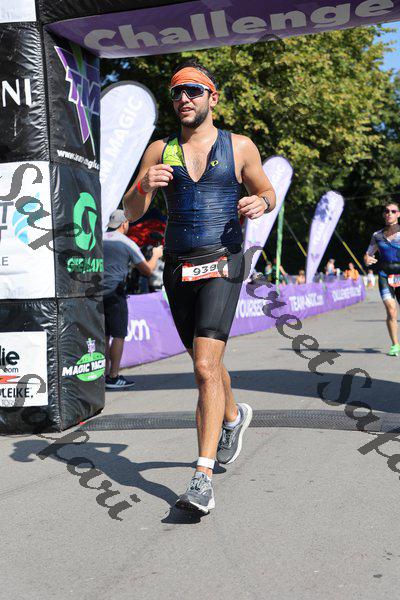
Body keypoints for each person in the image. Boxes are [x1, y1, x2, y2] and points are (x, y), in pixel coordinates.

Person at [123, 60, 276, 514]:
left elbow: (268, 192)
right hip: (177, 267)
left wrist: (260, 202)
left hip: (223, 262)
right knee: (205, 361)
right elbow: (130, 210)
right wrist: (143, 186)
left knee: (206, 367)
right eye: (177, 92)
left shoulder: (239, 146)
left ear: (213, 97)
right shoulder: (160, 149)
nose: (184, 99)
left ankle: (201, 479)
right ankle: (232, 415)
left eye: (193, 90)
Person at [103, 210, 163, 388]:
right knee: (118, 335)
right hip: (115, 292)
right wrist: (156, 255)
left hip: (96, 293)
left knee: (104, 335)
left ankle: (102, 375)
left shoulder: (98, 239)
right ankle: (113, 376)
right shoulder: (126, 242)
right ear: (124, 224)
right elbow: (147, 270)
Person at [364, 201, 400, 356]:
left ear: (398, 214)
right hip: (385, 275)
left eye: (393, 211)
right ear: (383, 214)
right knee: (391, 310)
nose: (389, 213)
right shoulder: (377, 235)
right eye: (387, 211)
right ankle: (395, 345)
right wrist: (367, 259)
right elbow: (368, 254)